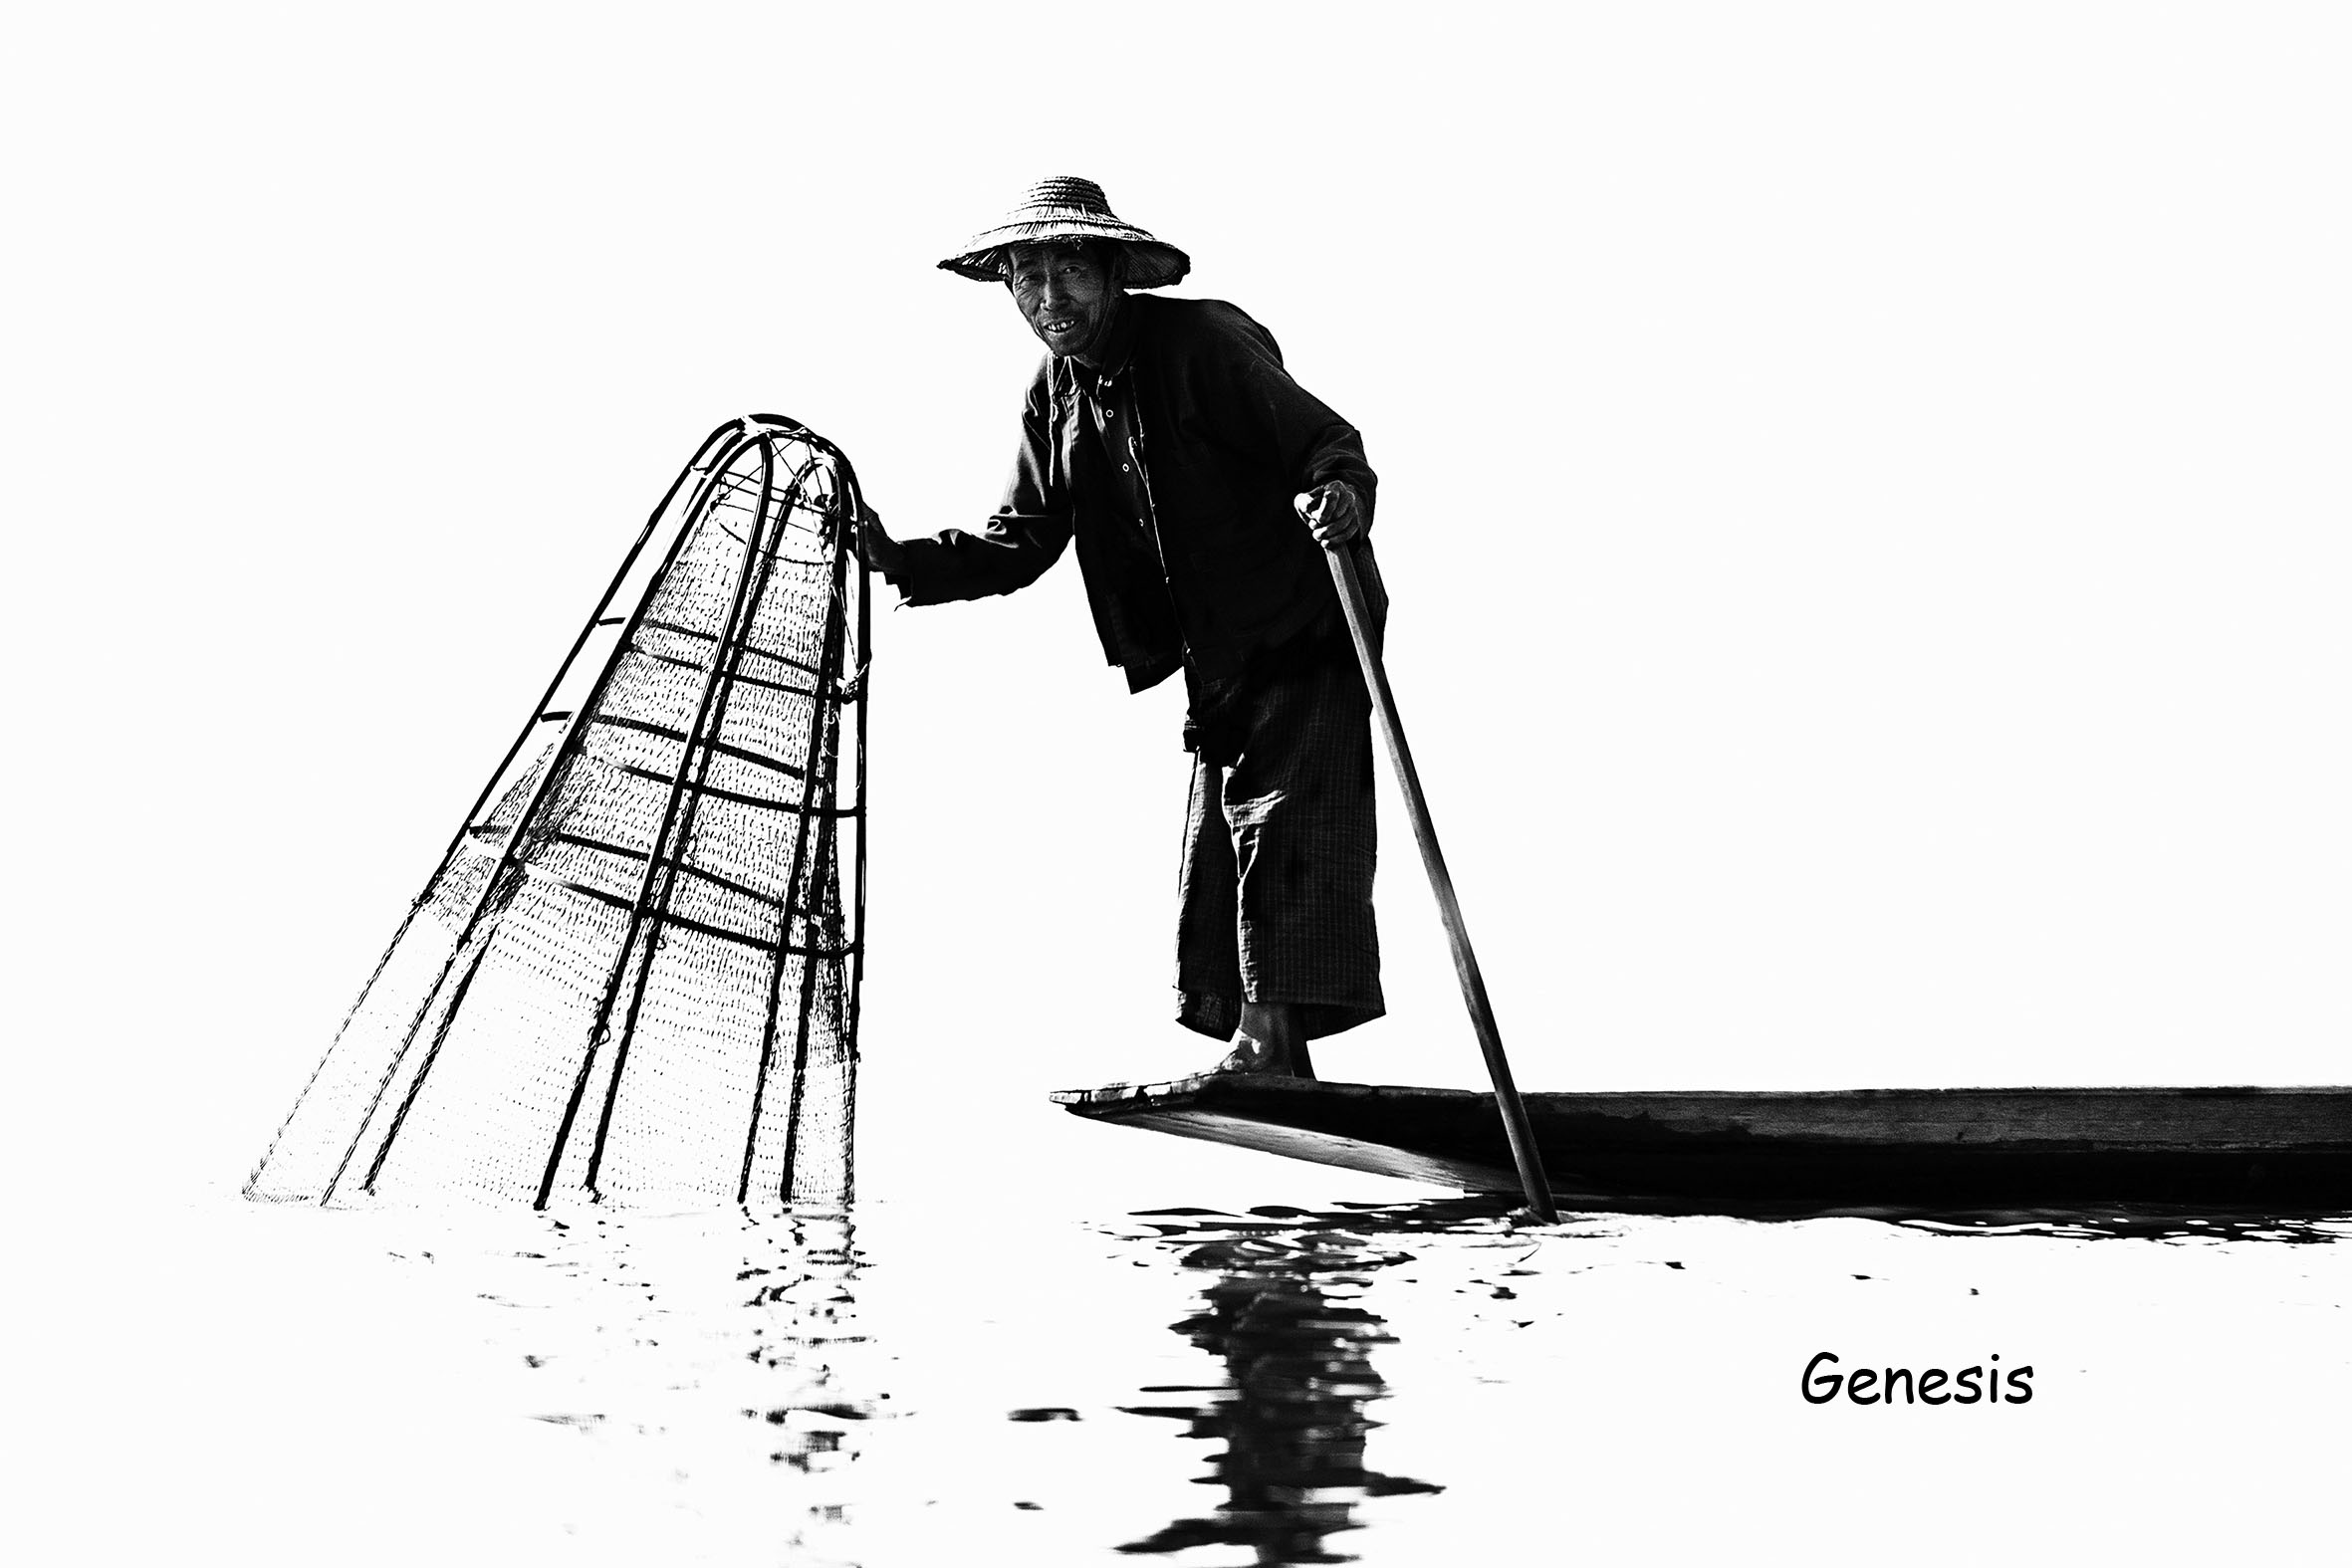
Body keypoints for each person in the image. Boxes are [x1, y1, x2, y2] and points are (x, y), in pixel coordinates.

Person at [856, 176, 1384, 1079]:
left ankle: (1267, 1047)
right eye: (1028, 277)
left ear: (1113, 274)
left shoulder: (1205, 343)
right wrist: (896, 556)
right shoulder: (1055, 395)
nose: (1050, 298)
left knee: (1283, 827)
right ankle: (1271, 1050)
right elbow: (1020, 541)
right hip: (1214, 653)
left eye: (1070, 270)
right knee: (1224, 843)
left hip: (1305, 619)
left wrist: (1341, 496)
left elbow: (1326, 442)